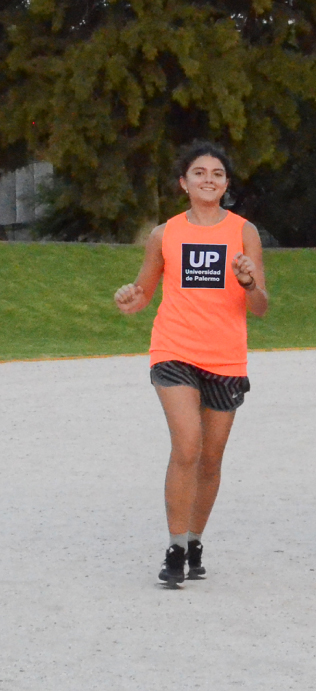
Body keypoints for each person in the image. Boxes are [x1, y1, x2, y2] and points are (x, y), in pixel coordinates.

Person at [113, 141, 268, 588]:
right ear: (184, 182)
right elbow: (143, 293)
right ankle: (175, 547)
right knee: (187, 445)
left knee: (211, 459)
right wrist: (129, 298)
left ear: (226, 185)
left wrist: (248, 280)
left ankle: (196, 539)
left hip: (226, 357)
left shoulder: (244, 232)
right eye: (199, 173)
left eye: (217, 174)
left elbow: (260, 306)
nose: (208, 180)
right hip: (174, 351)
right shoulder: (165, 234)